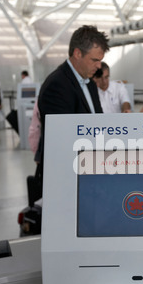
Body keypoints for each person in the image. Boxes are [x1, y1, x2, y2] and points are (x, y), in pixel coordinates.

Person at [38, 25, 109, 186]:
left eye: (100, 61)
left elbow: (97, 121)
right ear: (77, 53)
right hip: (66, 176)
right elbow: (62, 139)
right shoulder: (56, 85)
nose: (99, 66)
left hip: (89, 170)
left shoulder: (89, 83)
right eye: (94, 60)